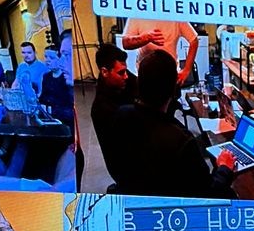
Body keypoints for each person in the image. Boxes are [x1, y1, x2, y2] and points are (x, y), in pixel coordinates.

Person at [108, 45, 221, 197]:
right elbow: (209, 194)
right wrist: (224, 169)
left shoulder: (121, 115)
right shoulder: (182, 141)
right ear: (173, 90)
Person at [90, 42, 134, 183]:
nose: (126, 76)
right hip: (126, 171)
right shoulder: (102, 109)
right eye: (121, 72)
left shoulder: (123, 80)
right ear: (104, 72)